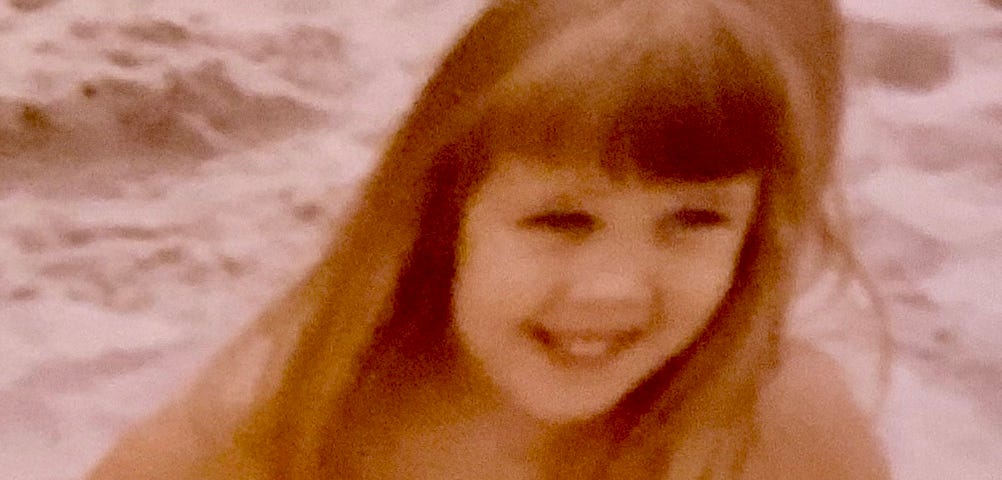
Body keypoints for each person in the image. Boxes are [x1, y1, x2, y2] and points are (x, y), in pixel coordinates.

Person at [87, 0, 890, 478]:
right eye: (560, 219)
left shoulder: (784, 426)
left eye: (694, 220)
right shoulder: (284, 412)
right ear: (444, 215)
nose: (615, 286)